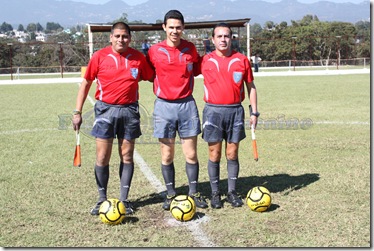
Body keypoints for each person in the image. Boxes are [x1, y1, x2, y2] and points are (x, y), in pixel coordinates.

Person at [72, 22, 154, 216]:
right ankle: (102, 199)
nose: (121, 39)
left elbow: (152, 76)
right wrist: (77, 111)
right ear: (110, 37)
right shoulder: (99, 56)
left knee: (126, 156)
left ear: (130, 38)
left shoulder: (138, 58)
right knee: (102, 156)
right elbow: (86, 84)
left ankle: (124, 200)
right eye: (117, 36)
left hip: (129, 111)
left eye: (124, 36)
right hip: (105, 111)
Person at [146, 9, 208, 211]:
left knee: (191, 154)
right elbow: (146, 72)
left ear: (183, 28)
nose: (175, 31)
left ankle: (194, 192)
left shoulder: (190, 49)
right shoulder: (154, 51)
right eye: (171, 27)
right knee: (167, 155)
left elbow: (199, 69)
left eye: (178, 27)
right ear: (164, 27)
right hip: (164, 106)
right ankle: (170, 194)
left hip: (187, 105)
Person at [199, 22, 259, 209]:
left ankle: (232, 192)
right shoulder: (205, 60)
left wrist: (254, 111)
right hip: (213, 111)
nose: (223, 39)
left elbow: (251, 87)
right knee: (214, 153)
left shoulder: (242, 60)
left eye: (226, 36)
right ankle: (215, 193)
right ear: (213, 39)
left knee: (232, 153)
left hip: (235, 110)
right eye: (219, 36)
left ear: (231, 38)